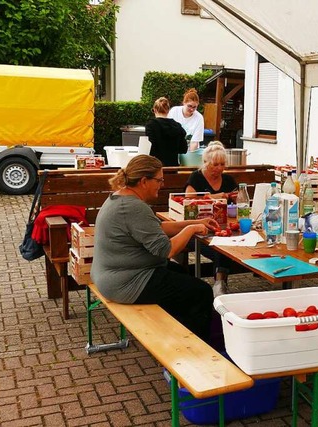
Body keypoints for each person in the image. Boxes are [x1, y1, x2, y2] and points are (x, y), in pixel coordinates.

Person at [90, 155, 219, 342]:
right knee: (201, 292)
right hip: (126, 282)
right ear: (144, 181)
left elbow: (158, 228)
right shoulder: (133, 207)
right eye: (159, 180)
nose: (162, 184)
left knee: (182, 275)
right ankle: (194, 349)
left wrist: (196, 221)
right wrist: (191, 229)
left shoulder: (122, 198)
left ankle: (178, 333)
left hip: (116, 275)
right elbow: (167, 250)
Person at [185, 141, 238, 296]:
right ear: (205, 163)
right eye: (215, 165)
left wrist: (236, 198)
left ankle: (220, 284)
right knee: (220, 248)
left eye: (222, 164)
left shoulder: (228, 180)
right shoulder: (196, 178)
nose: (219, 168)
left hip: (223, 227)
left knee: (225, 247)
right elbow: (189, 201)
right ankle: (220, 286)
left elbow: (239, 200)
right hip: (198, 229)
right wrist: (216, 197)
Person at [145, 97, 187, 166]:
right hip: (173, 169)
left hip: (156, 168)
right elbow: (183, 149)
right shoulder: (177, 126)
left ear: (155, 110)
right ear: (168, 111)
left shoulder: (151, 125)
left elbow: (150, 148)